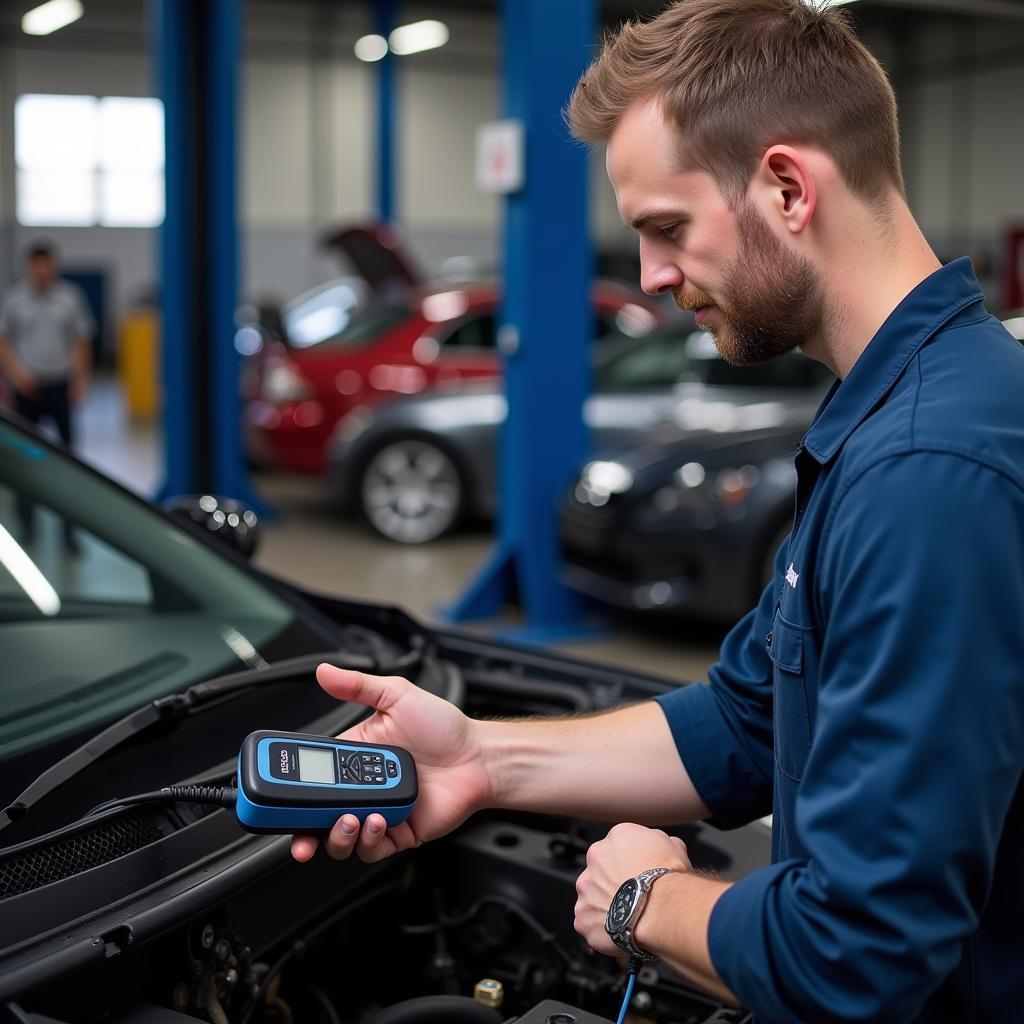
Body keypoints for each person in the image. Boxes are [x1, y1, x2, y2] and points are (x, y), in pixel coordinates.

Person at [290, 2, 1024, 1021]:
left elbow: (861, 948)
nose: (652, 277)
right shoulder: (899, 413)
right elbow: (743, 718)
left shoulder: (926, 471)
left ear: (786, 186)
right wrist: (480, 756)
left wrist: (644, 898)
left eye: (666, 229)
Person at [0, 242, 94, 543]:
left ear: (53, 266)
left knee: (67, 459)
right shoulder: (14, 300)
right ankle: (27, 525)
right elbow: (4, 342)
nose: (41, 271)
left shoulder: (69, 298)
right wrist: (17, 375)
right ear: (29, 266)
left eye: (46, 264)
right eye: (36, 265)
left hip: (60, 386)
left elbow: (81, 341)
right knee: (24, 458)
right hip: (27, 388)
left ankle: (70, 529)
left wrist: (80, 381)